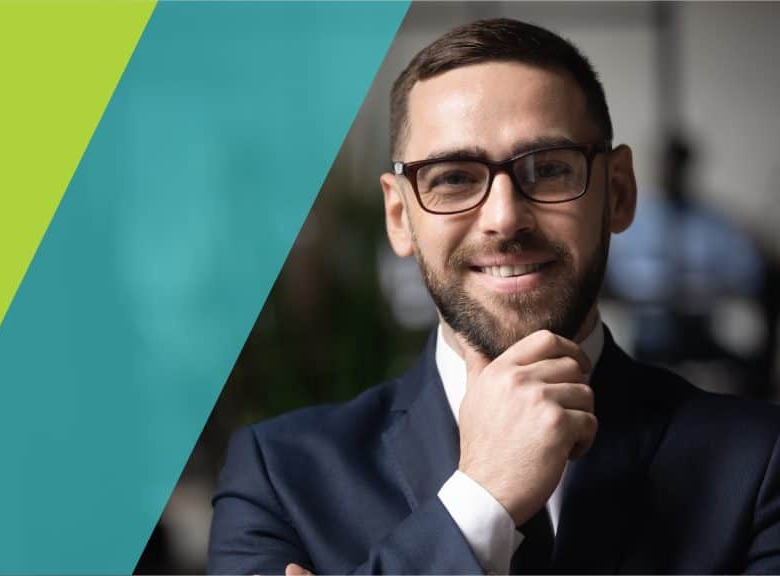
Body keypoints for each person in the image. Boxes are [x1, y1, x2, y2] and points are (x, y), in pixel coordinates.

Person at [207, 18, 780, 574]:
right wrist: (479, 500)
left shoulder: (760, 463)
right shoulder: (278, 475)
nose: (505, 220)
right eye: (453, 177)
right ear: (400, 216)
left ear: (619, 192)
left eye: (550, 169)